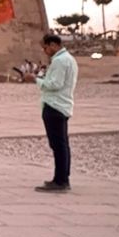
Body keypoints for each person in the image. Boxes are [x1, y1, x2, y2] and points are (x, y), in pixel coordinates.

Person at [25, 30, 78, 191]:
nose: (45, 51)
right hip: (61, 105)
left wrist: (36, 79)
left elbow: (55, 84)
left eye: (46, 48)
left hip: (55, 106)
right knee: (62, 145)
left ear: (54, 45)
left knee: (59, 145)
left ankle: (61, 181)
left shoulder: (60, 61)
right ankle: (62, 178)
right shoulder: (68, 59)